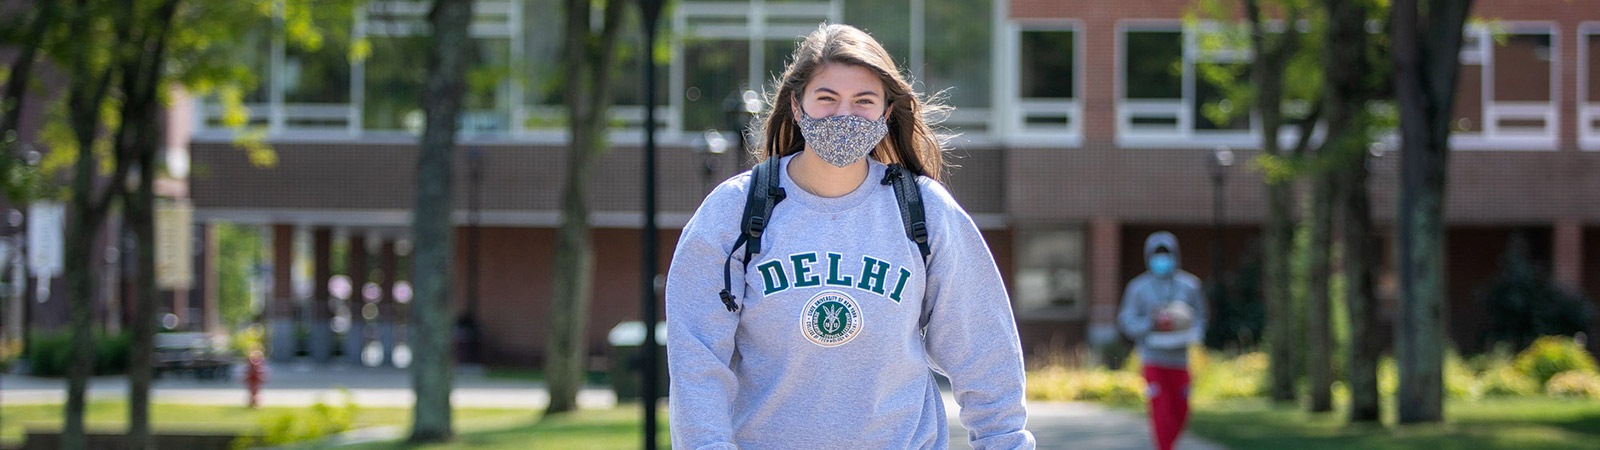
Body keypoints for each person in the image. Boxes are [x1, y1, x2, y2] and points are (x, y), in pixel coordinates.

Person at [666, 23, 1035, 449]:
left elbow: (984, 353)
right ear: (797, 105)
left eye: (864, 101)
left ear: (886, 113)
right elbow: (698, 363)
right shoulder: (733, 211)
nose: (845, 115)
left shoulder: (924, 210)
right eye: (826, 98)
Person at [1118, 231, 1207, 450]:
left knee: (1181, 411)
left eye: (1166, 254)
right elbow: (1126, 321)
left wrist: (1187, 326)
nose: (1162, 260)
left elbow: (1200, 317)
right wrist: (1151, 322)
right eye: (1157, 254)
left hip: (1179, 359)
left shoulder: (1190, 285)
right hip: (1153, 359)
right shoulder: (1137, 288)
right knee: (1161, 412)